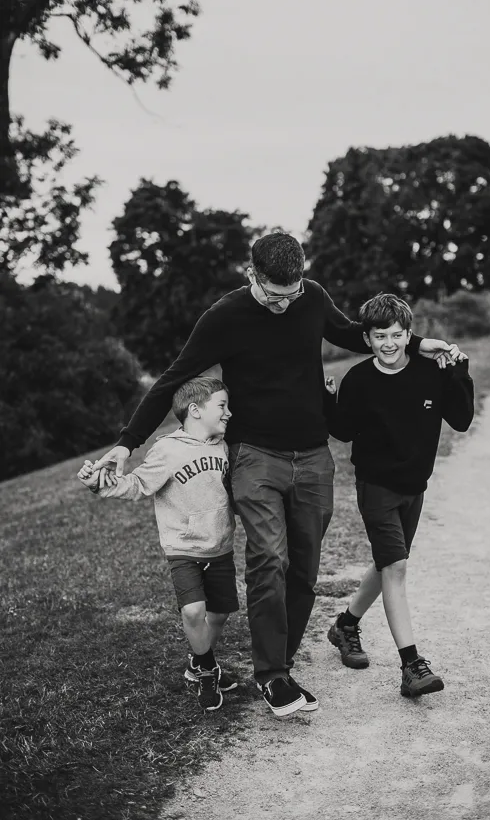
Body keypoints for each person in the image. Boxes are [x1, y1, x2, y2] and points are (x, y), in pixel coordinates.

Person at [91, 233, 462, 718]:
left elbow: (354, 334)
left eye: (293, 293)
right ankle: (271, 676)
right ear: (253, 276)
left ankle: (280, 666)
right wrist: (126, 443)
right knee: (269, 557)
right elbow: (173, 379)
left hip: (313, 456)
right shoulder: (224, 317)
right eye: (274, 296)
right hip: (255, 455)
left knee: (304, 570)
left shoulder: (313, 297)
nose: (286, 304)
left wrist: (418, 343)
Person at [325, 292, 474, 697]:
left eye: (395, 335)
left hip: (414, 487)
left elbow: (461, 420)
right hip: (375, 486)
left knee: (388, 562)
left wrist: (458, 372)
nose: (388, 344)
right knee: (396, 567)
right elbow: (342, 430)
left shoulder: (431, 372)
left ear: (409, 335)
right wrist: (327, 398)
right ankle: (411, 665)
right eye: (379, 336)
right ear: (367, 339)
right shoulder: (359, 379)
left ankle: (345, 625)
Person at [77, 377, 238, 713]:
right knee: (193, 611)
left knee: (219, 614)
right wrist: (99, 485)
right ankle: (208, 670)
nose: (228, 413)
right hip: (183, 548)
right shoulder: (167, 450)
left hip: (220, 546)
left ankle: (198, 661)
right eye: (222, 406)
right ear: (195, 410)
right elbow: (137, 484)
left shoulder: (225, 446)